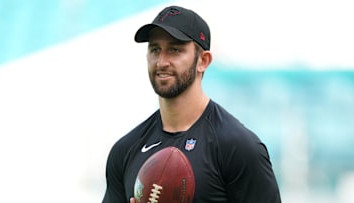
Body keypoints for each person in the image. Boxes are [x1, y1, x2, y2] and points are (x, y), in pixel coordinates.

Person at [102, 5, 281, 203]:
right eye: (155, 49)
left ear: (203, 61)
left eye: (175, 50)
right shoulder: (126, 149)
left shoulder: (238, 147)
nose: (162, 61)